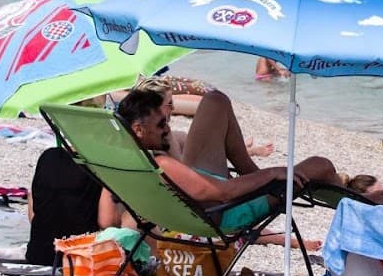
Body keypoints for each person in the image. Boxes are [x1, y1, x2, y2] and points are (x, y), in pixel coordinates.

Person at [102, 89, 335, 231]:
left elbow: (105, 220)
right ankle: (351, 206)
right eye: (161, 124)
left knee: (216, 100)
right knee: (321, 164)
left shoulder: (120, 161)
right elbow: (224, 193)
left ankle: (253, 173)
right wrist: (271, 173)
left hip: (196, 199)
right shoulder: (161, 165)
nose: (167, 129)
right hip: (229, 210)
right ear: (138, 129)